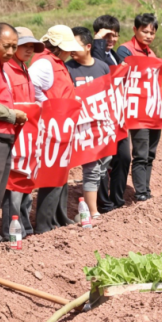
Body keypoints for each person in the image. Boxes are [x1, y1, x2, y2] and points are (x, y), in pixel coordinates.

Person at [28, 25, 81, 234]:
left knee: (61, 172)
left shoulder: (58, 63)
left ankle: (58, 217)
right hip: (52, 125)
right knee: (52, 173)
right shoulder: (44, 63)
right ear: (58, 47)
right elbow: (31, 86)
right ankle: (44, 223)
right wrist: (47, 105)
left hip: (62, 124)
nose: (71, 51)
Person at [0, 23, 30, 248]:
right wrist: (12, 115)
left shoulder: (1, 65)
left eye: (14, 46)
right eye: (7, 46)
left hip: (4, 135)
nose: (11, 52)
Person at [0, 27, 41, 241]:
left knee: (26, 181)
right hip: (13, 134)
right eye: (25, 45)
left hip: (29, 137)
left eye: (32, 46)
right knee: (13, 184)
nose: (29, 50)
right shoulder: (5, 69)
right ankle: (11, 230)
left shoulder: (25, 69)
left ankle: (24, 226)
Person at [67, 27, 113, 222]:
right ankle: (92, 213)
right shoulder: (68, 68)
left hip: (102, 127)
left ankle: (88, 208)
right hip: (82, 128)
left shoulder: (102, 67)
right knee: (91, 169)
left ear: (88, 46)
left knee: (103, 167)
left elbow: (108, 94)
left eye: (74, 45)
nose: (70, 49)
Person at [117, 13, 158, 202]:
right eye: (145, 31)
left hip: (152, 109)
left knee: (150, 153)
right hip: (136, 110)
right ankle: (140, 193)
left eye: (152, 32)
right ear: (135, 30)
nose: (149, 35)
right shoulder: (125, 51)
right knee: (140, 153)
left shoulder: (152, 54)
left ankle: (147, 191)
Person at [91, 15, 129, 214]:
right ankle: (104, 204)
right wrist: (98, 40)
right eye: (107, 35)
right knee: (103, 161)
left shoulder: (115, 56)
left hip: (118, 117)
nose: (111, 39)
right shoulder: (95, 55)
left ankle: (117, 199)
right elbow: (96, 65)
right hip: (102, 116)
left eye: (115, 35)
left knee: (123, 158)